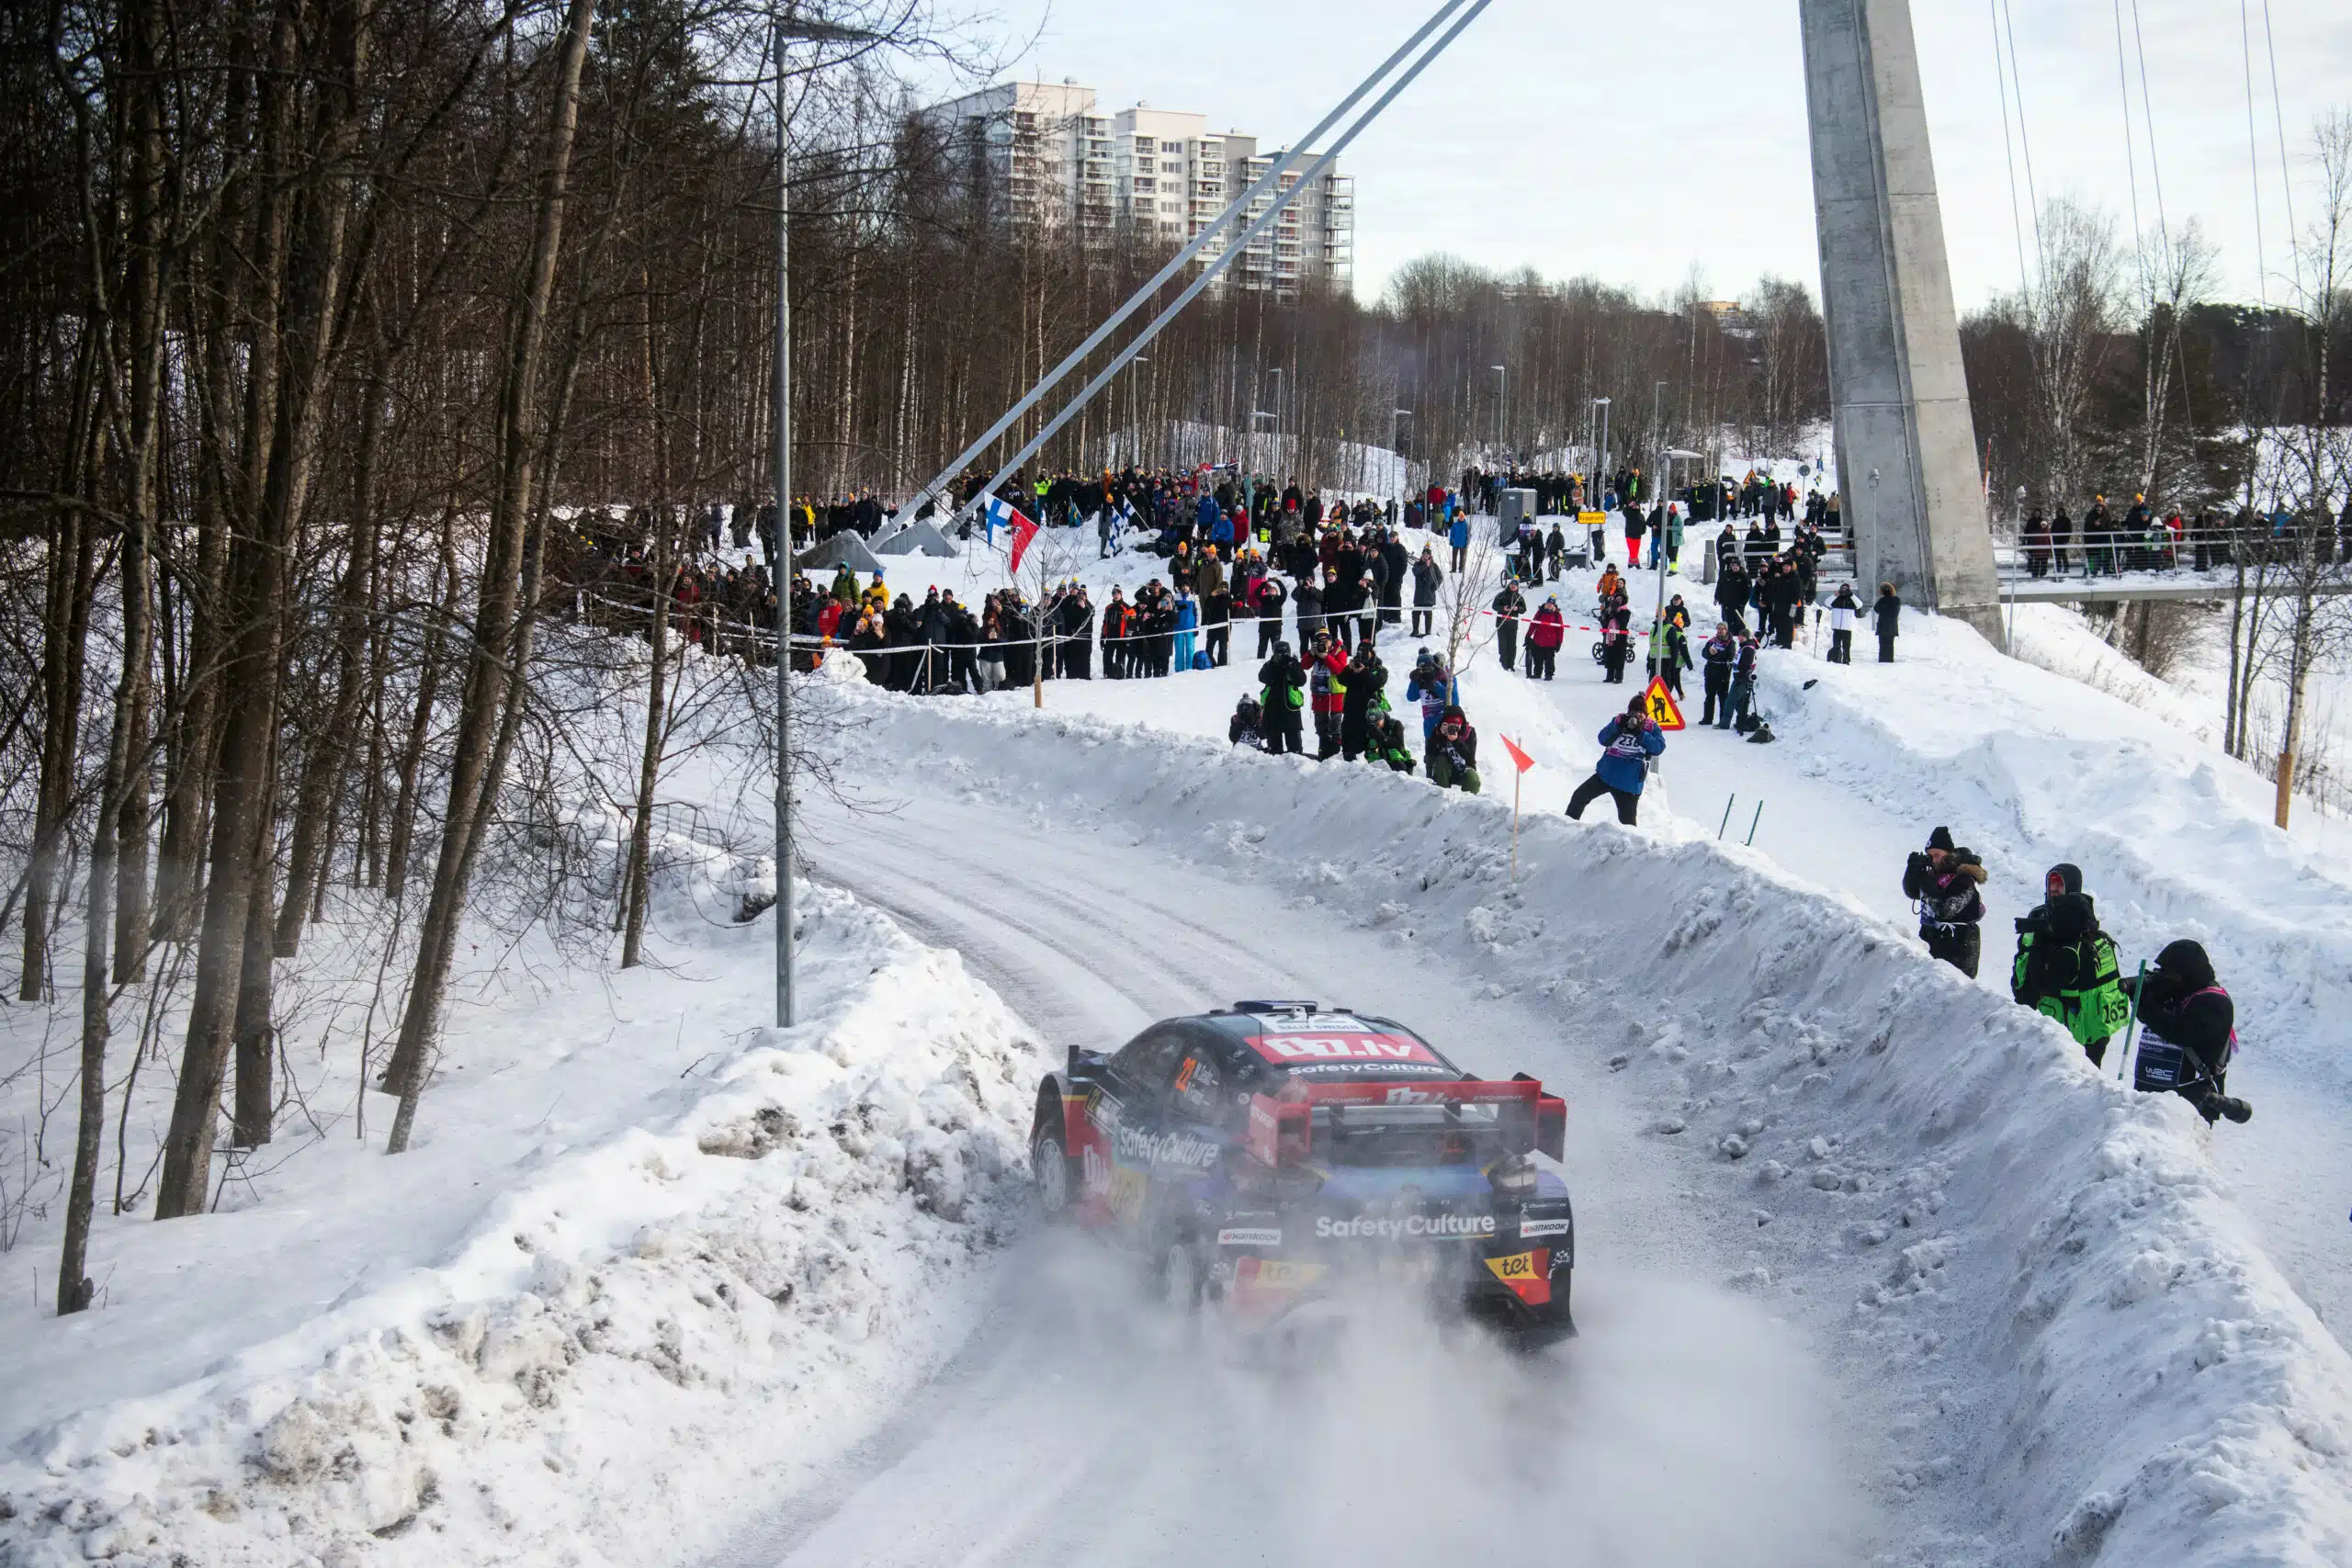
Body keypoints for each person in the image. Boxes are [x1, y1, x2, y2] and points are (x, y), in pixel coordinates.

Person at [2011, 863, 2131, 1066]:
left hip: (2069, 1020)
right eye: (2051, 884)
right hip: (2038, 1009)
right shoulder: (2038, 915)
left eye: (2060, 885)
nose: (2054, 889)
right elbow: (2023, 958)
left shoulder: (2081, 923)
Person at [2120, 941, 2251, 1124]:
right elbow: (2156, 1019)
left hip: (2190, 1100)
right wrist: (2147, 993)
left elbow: (2179, 1033)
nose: (2166, 978)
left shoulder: (2213, 1002)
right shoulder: (2181, 991)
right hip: (2152, 1091)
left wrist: (2145, 1005)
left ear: (2187, 975)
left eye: (2171, 975)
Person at [1903, 826, 1987, 976]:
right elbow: (1912, 892)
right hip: (1932, 939)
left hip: (1959, 946)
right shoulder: (1935, 874)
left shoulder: (1965, 877)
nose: (1934, 859)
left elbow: (1947, 910)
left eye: (1937, 854)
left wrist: (1929, 885)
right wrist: (1912, 872)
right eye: (1931, 856)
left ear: (1949, 853)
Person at [1566, 694, 1664, 825]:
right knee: (1579, 797)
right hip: (1606, 775)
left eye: (1641, 713)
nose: (1636, 716)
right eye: (1633, 712)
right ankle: (1567, 828)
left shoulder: (1651, 728)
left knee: (1627, 823)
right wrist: (1617, 726)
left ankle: (1630, 845)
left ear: (1646, 714)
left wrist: (1641, 734)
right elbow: (1602, 739)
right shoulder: (1620, 721)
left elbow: (1659, 747)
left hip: (1628, 783)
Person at [1340, 638, 1388, 761]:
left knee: (1372, 745)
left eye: (1366, 652)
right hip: (1352, 711)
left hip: (1371, 713)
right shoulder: (1354, 666)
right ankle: (1349, 764)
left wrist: (1363, 672)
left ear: (1372, 652)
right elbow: (1341, 680)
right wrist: (1349, 669)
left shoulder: (1380, 668)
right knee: (1348, 742)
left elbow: (1375, 684)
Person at [1256, 640, 1306, 755]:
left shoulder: (1293, 663)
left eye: (1284, 654)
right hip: (1272, 708)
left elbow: (1301, 680)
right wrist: (1274, 664)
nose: (1281, 657)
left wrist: (1292, 666)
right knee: (1274, 750)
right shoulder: (1270, 664)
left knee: (1295, 750)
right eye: (1278, 654)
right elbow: (1262, 677)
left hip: (1290, 708)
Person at [1307, 629, 1348, 760]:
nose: (1324, 644)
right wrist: (1311, 654)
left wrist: (1326, 656)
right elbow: (1304, 665)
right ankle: (1323, 756)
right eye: (1321, 641)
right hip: (1320, 696)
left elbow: (1340, 670)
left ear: (1331, 640)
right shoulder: (1315, 652)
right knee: (1321, 728)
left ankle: (1335, 758)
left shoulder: (1339, 650)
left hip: (1336, 695)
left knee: (1336, 730)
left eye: (1327, 641)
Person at [1427, 705, 1481, 793]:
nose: (1452, 728)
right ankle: (1442, 797)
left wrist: (1456, 741)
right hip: (1443, 771)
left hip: (1463, 768)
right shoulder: (1437, 732)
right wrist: (1440, 737)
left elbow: (1470, 759)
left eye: (1456, 725)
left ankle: (1468, 803)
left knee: (1473, 779)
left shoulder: (1469, 732)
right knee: (1441, 760)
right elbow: (1430, 755)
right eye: (1449, 725)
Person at [1407, 648, 1454, 739]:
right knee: (1431, 753)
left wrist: (1435, 685)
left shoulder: (1446, 676)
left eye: (1428, 668)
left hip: (1448, 723)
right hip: (1430, 726)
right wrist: (1414, 681)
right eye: (1422, 668)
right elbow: (1411, 697)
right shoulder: (1420, 678)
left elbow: (1454, 701)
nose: (1425, 671)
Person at [1700, 623, 1736, 728]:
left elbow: (1730, 656)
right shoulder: (1712, 640)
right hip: (1711, 670)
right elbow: (1704, 653)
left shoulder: (1731, 642)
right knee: (1709, 696)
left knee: (1723, 698)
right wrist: (1709, 653)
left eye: (1722, 629)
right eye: (1718, 628)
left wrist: (1716, 654)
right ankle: (1707, 718)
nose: (1720, 631)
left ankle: (1723, 720)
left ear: (1726, 630)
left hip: (1723, 672)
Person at [1491, 581, 1526, 673]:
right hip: (1502, 624)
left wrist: (1517, 608)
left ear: (1517, 587)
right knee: (1503, 645)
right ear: (1509, 585)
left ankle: (1511, 665)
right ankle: (1504, 664)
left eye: (1515, 586)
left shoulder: (1519, 597)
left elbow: (1524, 609)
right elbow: (1494, 606)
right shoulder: (1501, 595)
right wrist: (1503, 608)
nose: (1513, 587)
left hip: (1513, 626)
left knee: (1512, 646)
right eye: (1512, 585)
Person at [1526, 596, 1566, 680]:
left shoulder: (1557, 615)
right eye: (1548, 603)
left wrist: (1559, 642)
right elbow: (1533, 624)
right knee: (1537, 658)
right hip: (1539, 640)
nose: (1549, 605)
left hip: (1551, 642)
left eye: (1551, 604)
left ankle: (1549, 674)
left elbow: (1560, 630)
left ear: (1554, 605)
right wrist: (1528, 635)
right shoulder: (1540, 612)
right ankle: (1537, 673)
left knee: (1549, 660)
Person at [1826, 583, 1859, 665]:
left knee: (1846, 645)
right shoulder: (1836, 598)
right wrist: (1834, 595)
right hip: (1837, 627)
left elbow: (1859, 605)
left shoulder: (1851, 600)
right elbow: (1827, 603)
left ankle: (1846, 660)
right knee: (1836, 644)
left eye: (1846, 589)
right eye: (1842, 588)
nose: (1844, 590)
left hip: (1847, 627)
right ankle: (1836, 658)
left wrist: (1852, 595)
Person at [1871, 581, 1901, 663]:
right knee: (1890, 645)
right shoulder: (1896, 600)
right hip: (1892, 625)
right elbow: (1896, 612)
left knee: (1882, 645)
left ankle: (1882, 660)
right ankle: (1889, 660)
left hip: (1882, 625)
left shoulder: (1882, 600)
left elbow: (1876, 609)